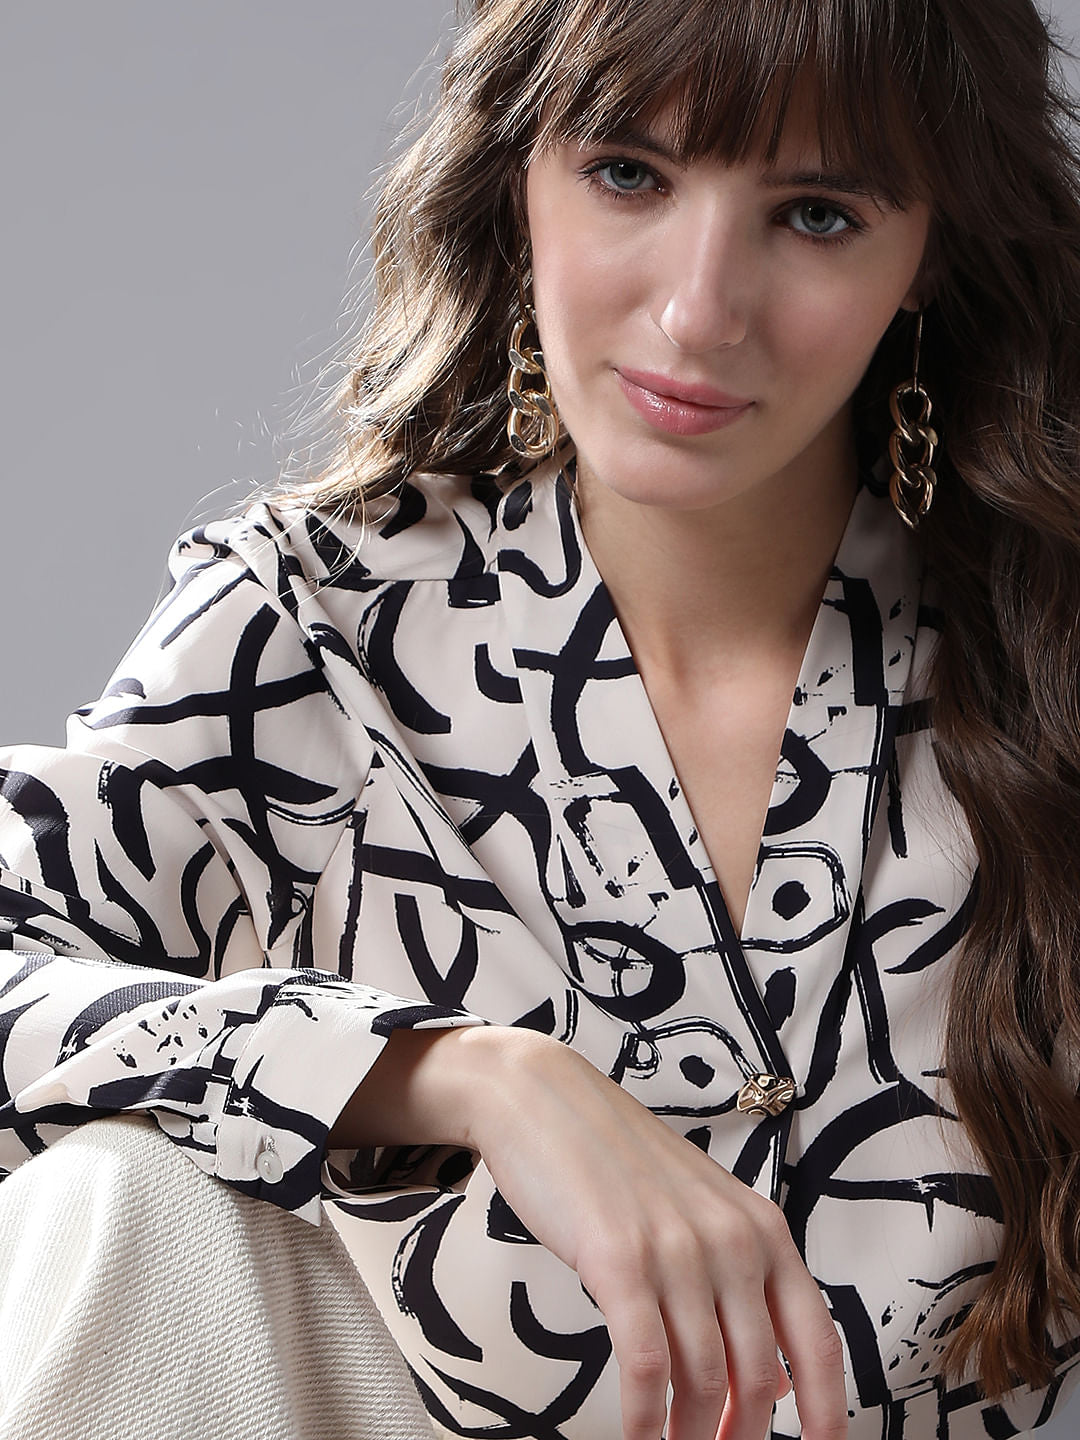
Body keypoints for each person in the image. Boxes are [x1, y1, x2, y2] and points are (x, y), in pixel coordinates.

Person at [1, 0, 1080, 1437]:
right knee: (119, 1200)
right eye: (629, 174)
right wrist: (458, 1072)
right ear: (519, 178)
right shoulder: (312, 630)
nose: (699, 310)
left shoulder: (1043, 668)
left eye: (817, 215)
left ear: (928, 251)